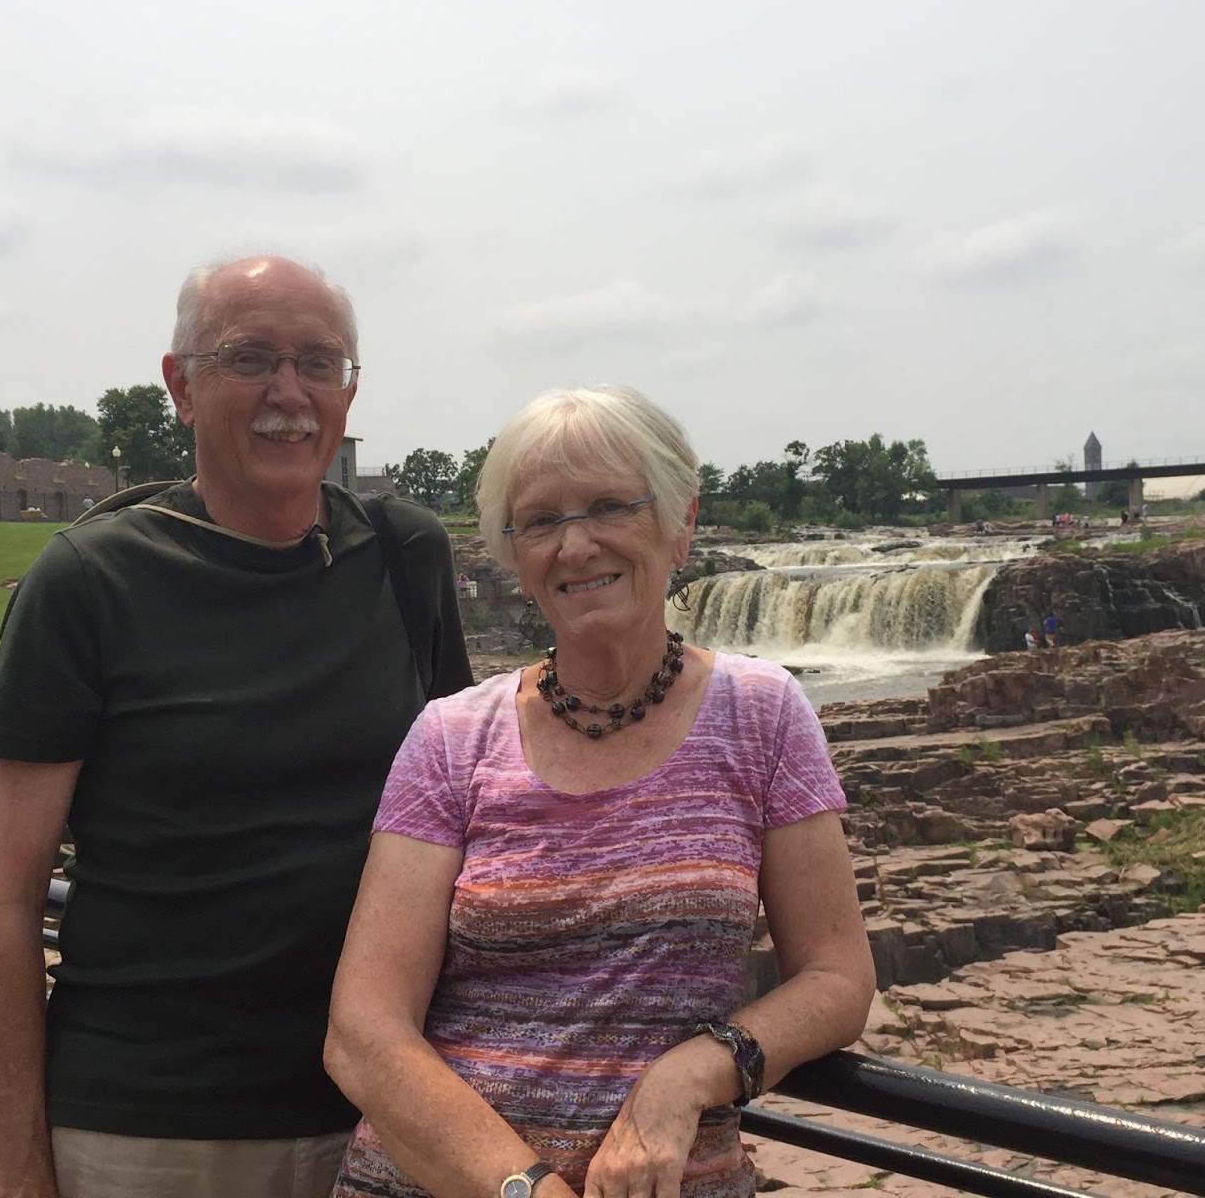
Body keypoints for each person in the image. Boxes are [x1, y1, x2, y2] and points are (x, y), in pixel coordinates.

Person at [0, 255, 473, 1198]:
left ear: (349, 387)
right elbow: (0, 901)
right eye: (250, 358)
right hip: (152, 1131)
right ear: (181, 386)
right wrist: (18, 1174)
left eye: (319, 362)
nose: (290, 392)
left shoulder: (405, 557)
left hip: (387, 1112)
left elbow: (469, 822)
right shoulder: (88, 582)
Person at [325, 385, 875, 1198]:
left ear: (680, 523)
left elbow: (837, 979)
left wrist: (693, 1071)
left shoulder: (763, 715)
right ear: (516, 557)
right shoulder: (450, 737)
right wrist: (528, 1188)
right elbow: (362, 1033)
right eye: (541, 521)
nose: (576, 545)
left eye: (611, 506)